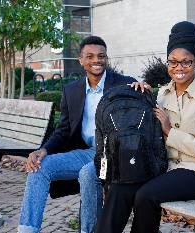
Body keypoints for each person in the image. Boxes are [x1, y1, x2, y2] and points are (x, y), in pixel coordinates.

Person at [95, 21, 195, 233]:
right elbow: (145, 126)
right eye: (173, 62)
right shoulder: (162, 93)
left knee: (146, 196)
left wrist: (169, 131)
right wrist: (140, 93)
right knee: (120, 188)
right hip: (166, 168)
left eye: (186, 62)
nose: (178, 68)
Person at [18, 36, 136, 233]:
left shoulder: (124, 84)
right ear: (81, 60)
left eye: (101, 56)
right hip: (86, 152)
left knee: (88, 172)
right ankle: (27, 230)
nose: (96, 60)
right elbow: (63, 130)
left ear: (106, 58)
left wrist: (144, 89)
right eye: (89, 56)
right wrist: (43, 150)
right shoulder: (72, 91)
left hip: (114, 155)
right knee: (39, 167)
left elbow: (142, 106)